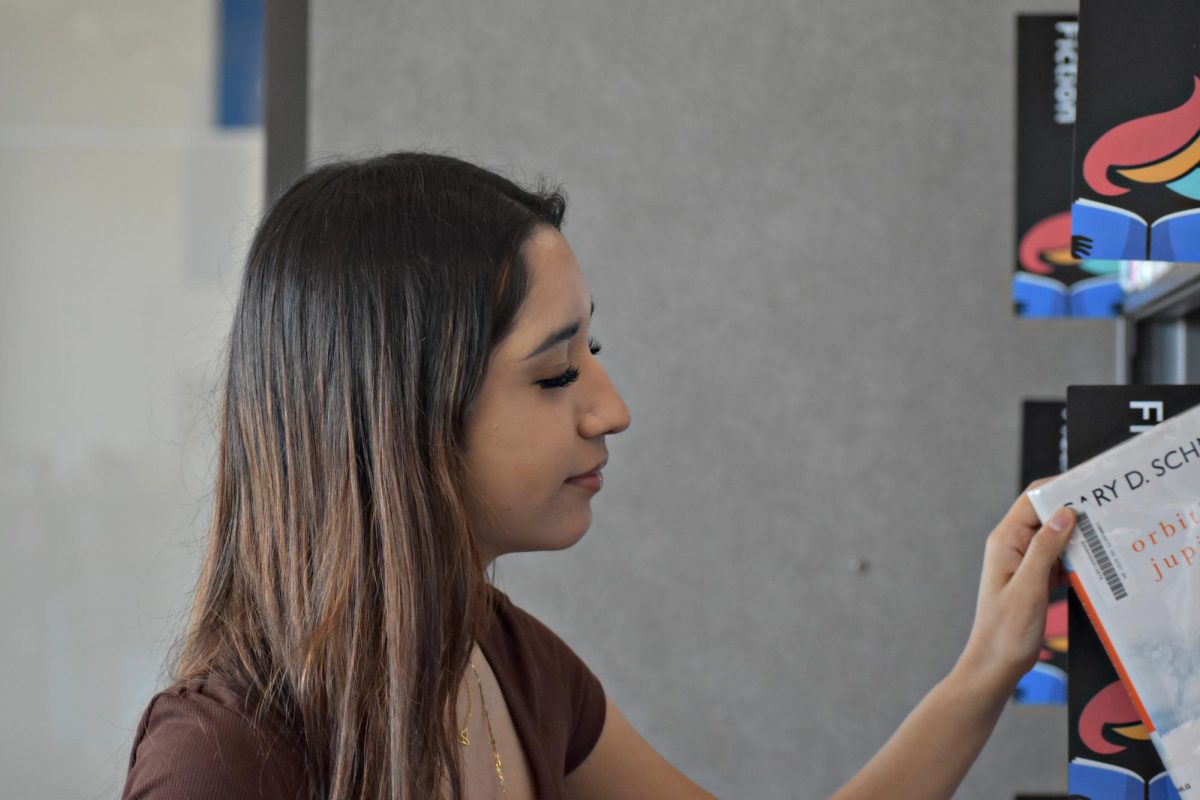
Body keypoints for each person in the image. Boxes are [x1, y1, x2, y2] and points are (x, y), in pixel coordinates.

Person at [120, 151, 1077, 800]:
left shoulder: (510, 658)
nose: (610, 408)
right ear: (396, 418)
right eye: (555, 372)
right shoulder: (218, 760)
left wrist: (987, 668)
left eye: (595, 350)